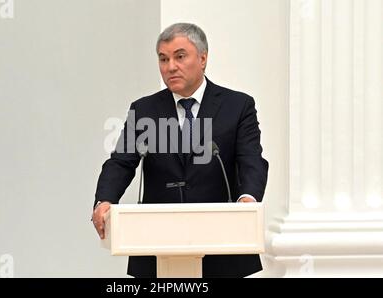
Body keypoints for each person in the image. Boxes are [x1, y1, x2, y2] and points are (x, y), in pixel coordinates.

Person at [92, 23, 268, 278]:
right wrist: (105, 199)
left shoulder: (238, 106)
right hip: (158, 243)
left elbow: (251, 158)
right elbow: (121, 162)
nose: (170, 66)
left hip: (222, 244)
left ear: (203, 58)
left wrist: (248, 200)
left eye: (180, 56)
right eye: (163, 59)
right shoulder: (145, 110)